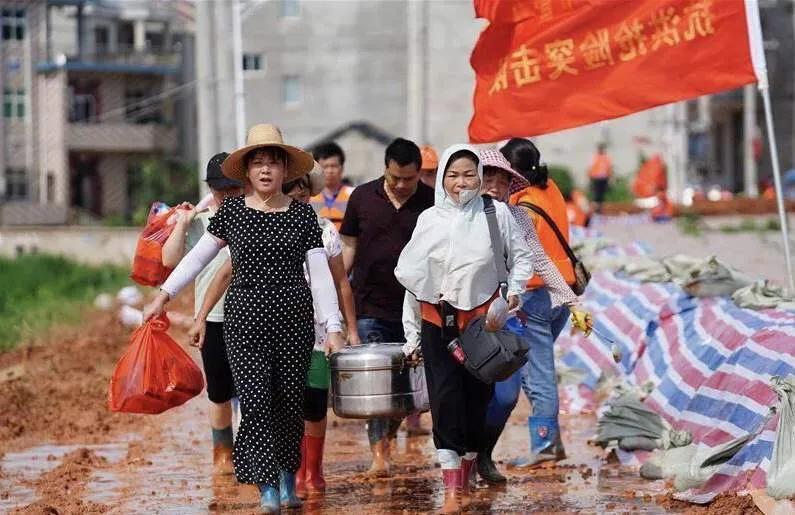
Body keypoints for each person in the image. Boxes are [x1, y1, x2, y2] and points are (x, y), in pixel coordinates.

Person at [142, 124, 345, 513]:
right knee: (255, 400)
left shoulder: (303, 216)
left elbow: (320, 276)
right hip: (245, 321)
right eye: (258, 163)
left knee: (289, 401)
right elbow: (198, 258)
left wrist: (333, 327)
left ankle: (288, 477)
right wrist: (164, 296)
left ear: (286, 171)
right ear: (247, 171)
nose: (266, 170)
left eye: (273, 163)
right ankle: (265, 482)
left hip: (294, 319)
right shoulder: (232, 213)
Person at [395, 145, 535, 512]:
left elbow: (521, 258)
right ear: (442, 178)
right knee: (444, 401)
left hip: (481, 325)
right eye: (453, 175)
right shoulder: (429, 219)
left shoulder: (498, 214)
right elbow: (413, 281)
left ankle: (468, 469)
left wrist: (514, 293)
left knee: (477, 400)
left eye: (468, 174)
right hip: (435, 322)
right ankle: (452, 489)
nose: (461, 182)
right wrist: (411, 334)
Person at [476, 149, 591, 483]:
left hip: (518, 310)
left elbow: (540, 261)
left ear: (512, 183)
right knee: (469, 392)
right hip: (470, 318)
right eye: (488, 178)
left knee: (508, 393)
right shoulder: (456, 219)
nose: (494, 186)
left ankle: (484, 453)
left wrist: (574, 305)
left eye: (502, 179)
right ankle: (462, 461)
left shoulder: (518, 217)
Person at [339, 137, 434, 475]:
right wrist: (336, 296)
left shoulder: (432, 202)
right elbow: (347, 250)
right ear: (385, 169)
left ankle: (389, 436)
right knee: (377, 384)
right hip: (369, 305)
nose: (401, 184)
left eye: (409, 178)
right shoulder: (362, 198)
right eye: (395, 177)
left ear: (419, 173)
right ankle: (380, 455)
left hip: (416, 310)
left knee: (405, 384)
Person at [159, 152, 243, 476]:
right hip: (211, 318)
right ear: (211, 188)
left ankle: (251, 452)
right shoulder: (200, 223)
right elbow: (170, 261)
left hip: (247, 313)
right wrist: (182, 222)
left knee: (251, 387)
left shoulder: (252, 216)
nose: (226, 195)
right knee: (219, 390)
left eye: (232, 188)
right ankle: (222, 452)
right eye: (219, 189)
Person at [310, 141, 355, 230]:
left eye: (334, 166)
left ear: (342, 168)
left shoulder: (354, 195)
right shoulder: (307, 197)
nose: (330, 171)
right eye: (325, 167)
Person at [588, 143, 612, 213]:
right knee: (596, 194)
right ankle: (596, 210)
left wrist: (610, 177)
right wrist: (591, 177)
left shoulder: (606, 158)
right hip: (596, 178)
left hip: (604, 178)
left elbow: (609, 168)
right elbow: (591, 168)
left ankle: (601, 209)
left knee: (602, 194)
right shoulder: (595, 157)